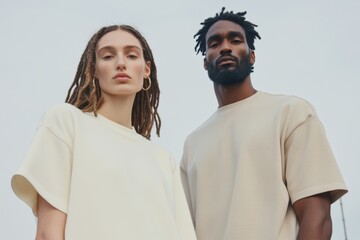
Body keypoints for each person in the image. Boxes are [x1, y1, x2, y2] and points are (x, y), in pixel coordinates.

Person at [11, 24, 196, 240]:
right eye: (108, 56)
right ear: (94, 70)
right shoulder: (66, 122)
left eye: (131, 55)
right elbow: (47, 233)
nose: (120, 63)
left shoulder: (164, 160)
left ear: (146, 70)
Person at [180, 7, 348, 240]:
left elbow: (316, 216)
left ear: (252, 56)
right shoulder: (193, 144)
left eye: (236, 40)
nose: (225, 47)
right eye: (215, 43)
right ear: (205, 63)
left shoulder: (290, 112)